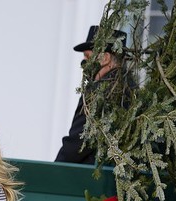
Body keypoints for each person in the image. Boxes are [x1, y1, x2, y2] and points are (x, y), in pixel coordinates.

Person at [55, 25, 129, 164]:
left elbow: (79, 141)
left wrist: (54, 170)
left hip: (90, 176)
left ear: (106, 58)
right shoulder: (131, 89)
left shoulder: (99, 92)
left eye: (88, 57)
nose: (84, 63)